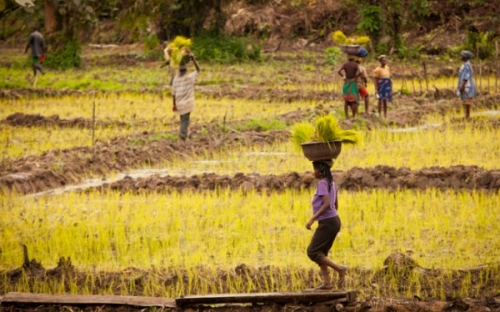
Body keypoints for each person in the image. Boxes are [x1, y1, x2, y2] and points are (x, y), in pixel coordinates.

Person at [306, 160, 347, 289]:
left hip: (328, 222)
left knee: (312, 252)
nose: (314, 172)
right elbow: (335, 205)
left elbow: (327, 203)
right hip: (334, 220)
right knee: (321, 253)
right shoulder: (332, 183)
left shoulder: (322, 183)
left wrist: (312, 219)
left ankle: (340, 269)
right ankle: (327, 283)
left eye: (315, 170)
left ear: (321, 171)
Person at [171, 51, 200, 141]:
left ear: (179, 70)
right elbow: (198, 69)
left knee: (184, 119)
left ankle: (186, 134)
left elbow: (173, 93)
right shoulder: (189, 78)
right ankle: (181, 137)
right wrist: (194, 59)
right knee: (185, 120)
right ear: (186, 70)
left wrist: (174, 105)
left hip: (179, 104)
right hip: (187, 104)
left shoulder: (176, 79)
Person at [338, 54, 361, 119]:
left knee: (346, 101)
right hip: (353, 83)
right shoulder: (356, 65)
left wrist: (343, 77)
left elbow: (338, 71)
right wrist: (355, 77)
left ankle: (347, 116)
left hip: (347, 83)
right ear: (354, 58)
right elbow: (360, 71)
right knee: (353, 101)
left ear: (348, 58)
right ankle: (353, 116)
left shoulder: (345, 64)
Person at [457, 50, 477, 119]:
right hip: (465, 84)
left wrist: (462, 85)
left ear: (465, 57)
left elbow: (466, 76)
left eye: (462, 55)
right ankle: (466, 114)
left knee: (468, 99)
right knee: (465, 100)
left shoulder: (467, 65)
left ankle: (467, 115)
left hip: (467, 85)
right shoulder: (465, 64)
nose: (460, 56)